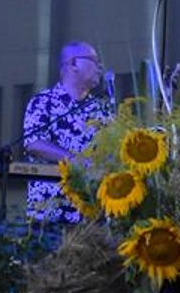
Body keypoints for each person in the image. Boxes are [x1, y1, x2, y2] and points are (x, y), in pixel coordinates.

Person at [23, 41, 115, 222]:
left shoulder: (101, 109)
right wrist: (75, 160)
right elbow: (34, 143)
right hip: (50, 215)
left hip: (92, 218)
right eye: (94, 61)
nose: (100, 67)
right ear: (73, 64)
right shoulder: (43, 102)